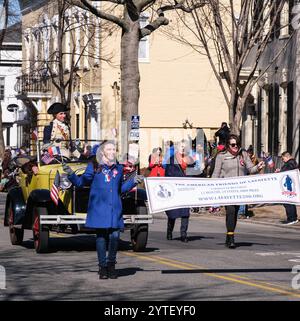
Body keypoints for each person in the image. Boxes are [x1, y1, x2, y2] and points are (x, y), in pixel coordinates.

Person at [62, 140, 143, 279]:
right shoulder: (93, 167)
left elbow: (121, 189)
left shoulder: (118, 169)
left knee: (115, 236)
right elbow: (81, 183)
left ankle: (111, 264)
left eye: (114, 149)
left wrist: (133, 181)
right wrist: (71, 174)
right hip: (99, 207)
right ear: (102, 152)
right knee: (101, 238)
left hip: (114, 208)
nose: (112, 152)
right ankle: (102, 267)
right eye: (109, 149)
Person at [212, 134, 265, 248]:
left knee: (234, 213)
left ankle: (229, 234)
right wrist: (212, 187)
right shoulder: (221, 156)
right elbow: (215, 174)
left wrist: (258, 167)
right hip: (226, 189)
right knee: (230, 210)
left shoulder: (243, 154)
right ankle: (231, 238)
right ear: (228, 145)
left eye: (237, 144)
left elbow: (251, 169)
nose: (235, 146)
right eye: (233, 144)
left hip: (240, 191)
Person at [165, 139, 194, 242]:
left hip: (185, 190)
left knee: (185, 213)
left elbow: (194, 174)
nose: (183, 148)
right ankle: (169, 231)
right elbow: (168, 174)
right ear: (177, 147)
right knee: (173, 214)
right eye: (181, 146)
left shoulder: (190, 160)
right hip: (175, 190)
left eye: (184, 146)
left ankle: (183, 234)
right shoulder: (171, 160)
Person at [275, 151, 299, 225]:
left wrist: (280, 171)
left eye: (283, 158)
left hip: (289, 187)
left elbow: (287, 172)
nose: (282, 160)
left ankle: (291, 218)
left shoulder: (290, 163)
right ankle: (293, 218)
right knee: (289, 202)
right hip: (289, 186)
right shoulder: (291, 163)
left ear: (287, 157)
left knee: (288, 202)